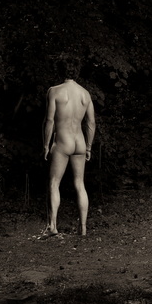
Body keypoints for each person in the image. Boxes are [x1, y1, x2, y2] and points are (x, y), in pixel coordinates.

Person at [42, 78, 96, 236]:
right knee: (80, 183)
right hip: (79, 141)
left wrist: (46, 145)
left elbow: (50, 120)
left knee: (54, 183)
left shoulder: (54, 91)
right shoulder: (85, 93)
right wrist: (89, 147)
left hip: (63, 141)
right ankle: (83, 228)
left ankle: (52, 226)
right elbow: (91, 122)